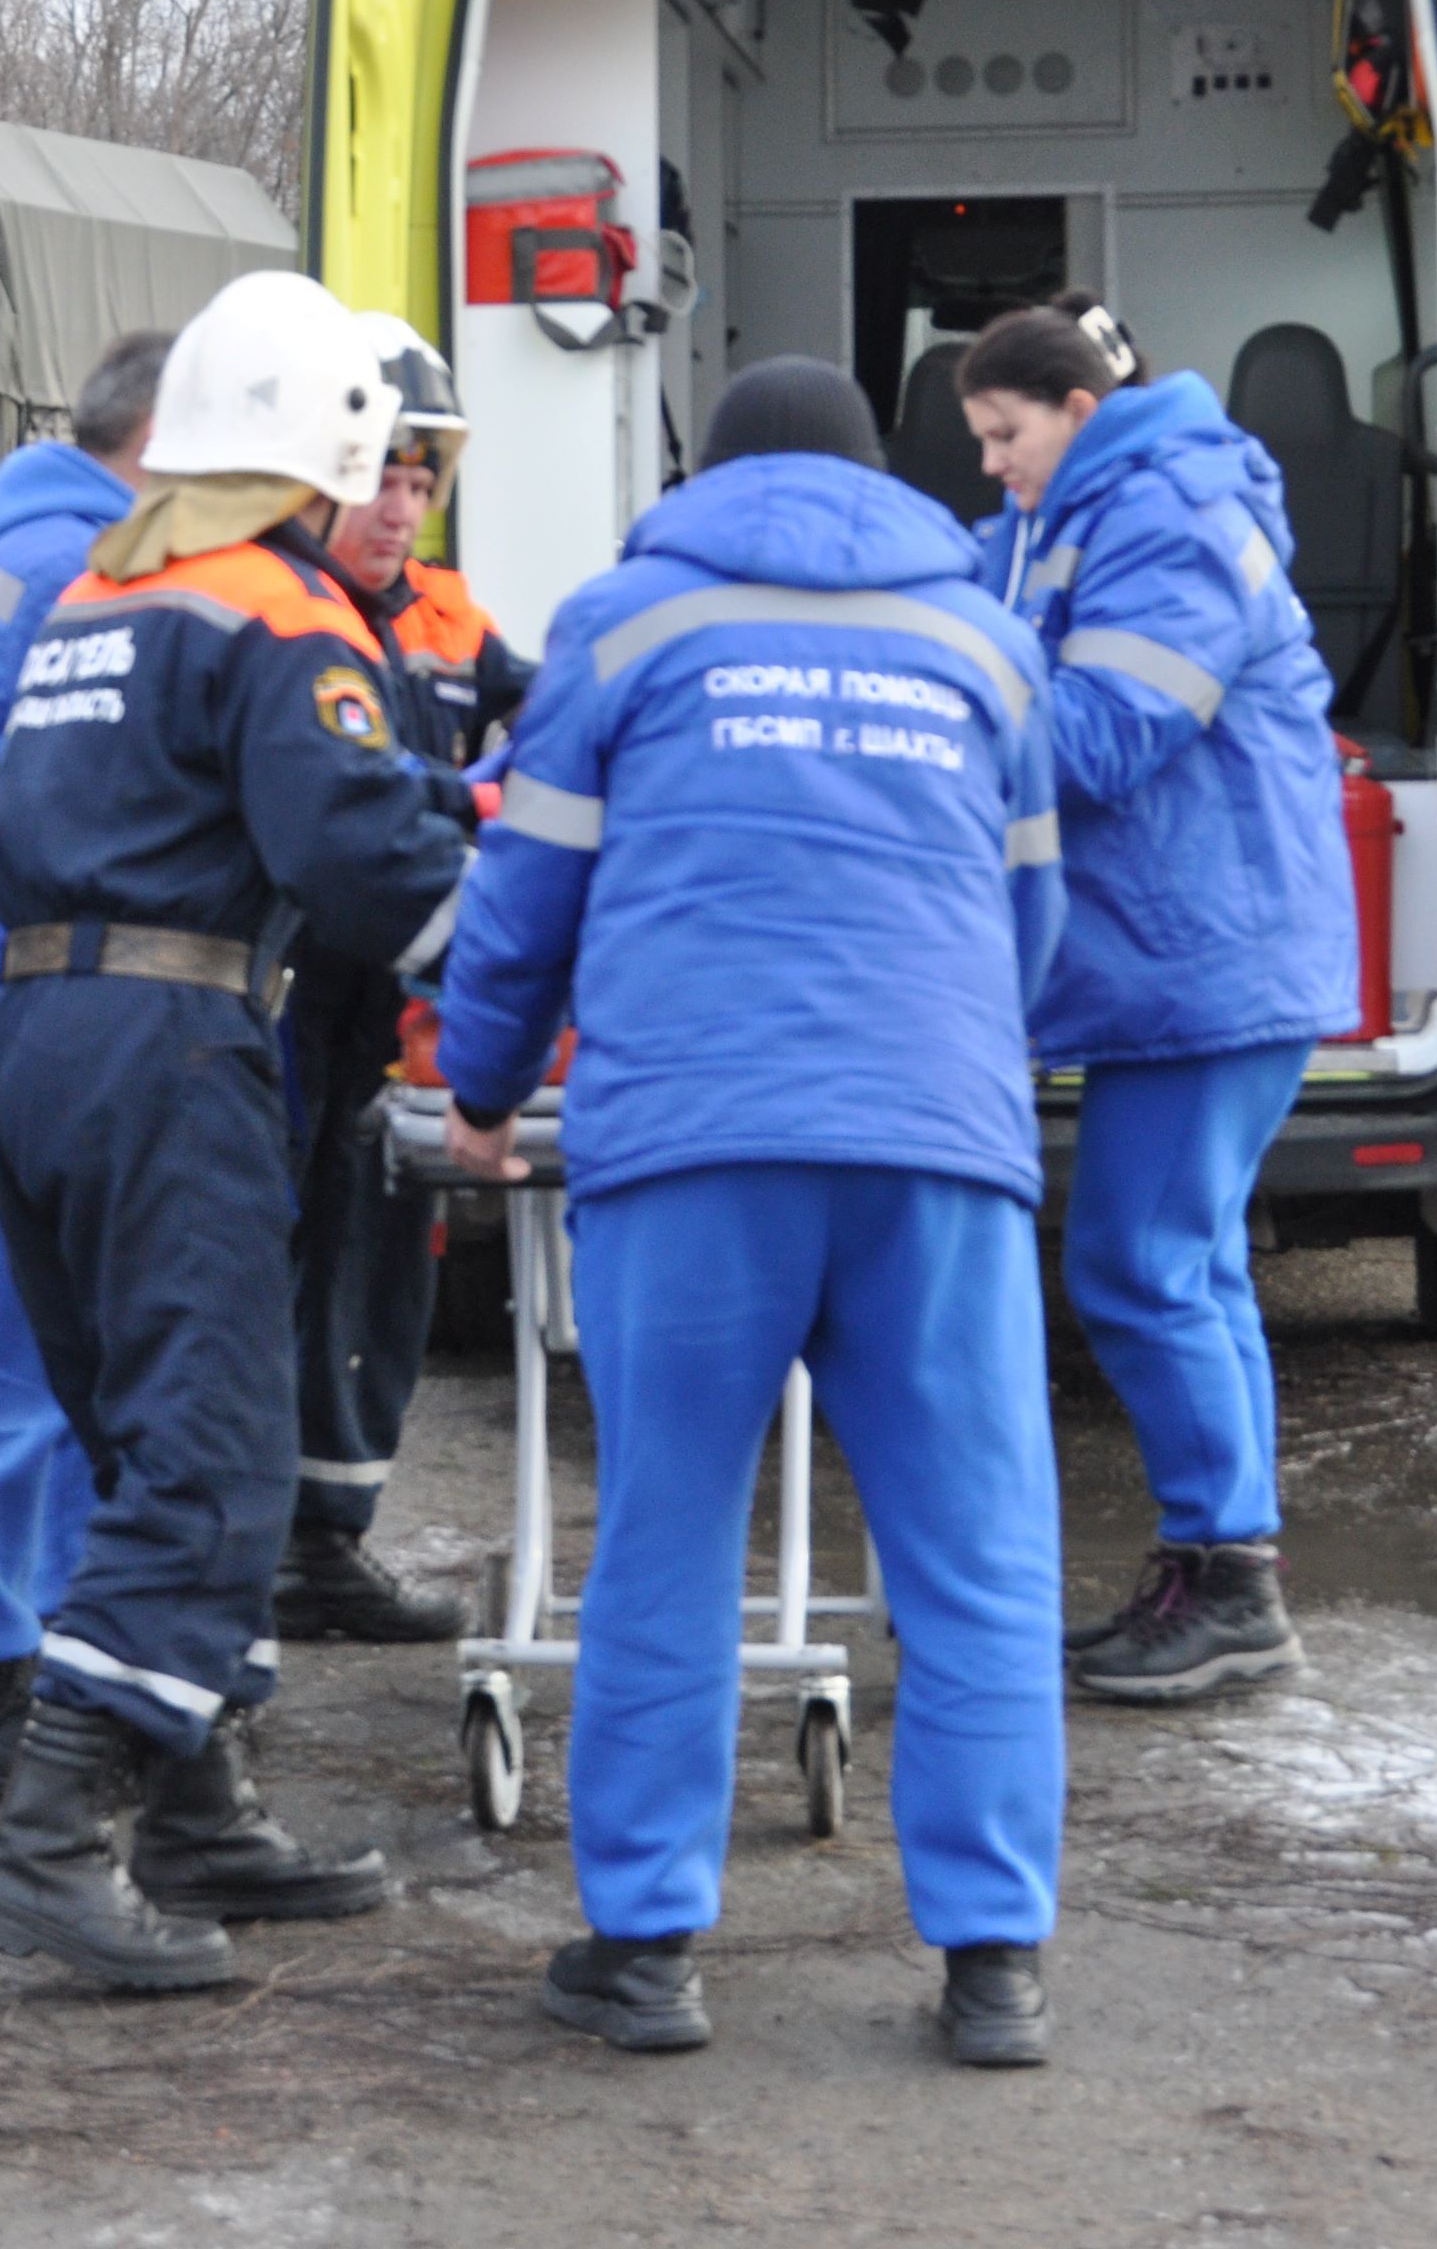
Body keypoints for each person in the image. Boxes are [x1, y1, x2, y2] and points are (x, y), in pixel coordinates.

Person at [438, 359, 1071, 2069]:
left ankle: (646, 1953)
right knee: (976, 1556)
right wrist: (945, 1061)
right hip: (933, 1145)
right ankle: (994, 1964)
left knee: (666, 1536)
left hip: (692, 1143)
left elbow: (527, 890)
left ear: (704, 472)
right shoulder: (984, 641)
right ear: (885, 477)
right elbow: (1032, 924)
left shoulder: (625, 624)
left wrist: (483, 1094)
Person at [0, 270, 475, 1992]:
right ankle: (50, 1844)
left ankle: (192, 1814)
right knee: (217, 1454)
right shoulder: (277, 608)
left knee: (143, 1437)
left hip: (41, 1037)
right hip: (173, 1043)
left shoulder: (106, 593)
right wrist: (538, 977)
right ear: (318, 454)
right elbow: (373, 861)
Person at [956, 295, 1359, 1707]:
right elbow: (953, 610)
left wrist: (921, 731)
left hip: (1211, 957)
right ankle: (1221, 1574)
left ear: (1075, 411)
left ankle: (1231, 1589)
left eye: (1004, 436)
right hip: (1195, 958)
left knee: (1135, 1264)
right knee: (1193, 1265)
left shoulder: (1171, 513)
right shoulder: (1065, 519)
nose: (991, 465)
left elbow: (1113, 728)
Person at [0, 329, 172, 1799]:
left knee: (41, 1360)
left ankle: (25, 1667)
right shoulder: (83, 561)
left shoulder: (31, 538)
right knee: (20, 1363)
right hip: (20, 1001)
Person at [275, 318, 530, 1645]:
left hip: (389, 1014)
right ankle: (236, 1556)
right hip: (277, 1001)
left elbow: (548, 713)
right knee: (257, 1274)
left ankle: (325, 1543)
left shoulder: (447, 618)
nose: (401, 508)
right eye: (381, 476)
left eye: (423, 482)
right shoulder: (279, 610)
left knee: (380, 1279)